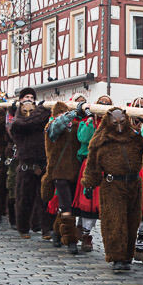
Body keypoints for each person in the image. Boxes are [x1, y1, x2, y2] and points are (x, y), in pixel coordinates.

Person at [81, 107, 143, 273]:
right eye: (115, 123)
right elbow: (93, 163)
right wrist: (89, 183)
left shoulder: (134, 138)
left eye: (121, 123)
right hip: (112, 185)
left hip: (133, 184)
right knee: (115, 222)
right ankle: (117, 256)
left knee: (132, 222)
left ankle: (127, 255)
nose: (118, 127)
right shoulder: (101, 139)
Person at [44, 102, 89, 255]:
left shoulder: (77, 126)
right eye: (60, 114)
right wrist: (72, 114)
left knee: (69, 208)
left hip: (76, 172)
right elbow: (56, 127)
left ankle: (57, 232)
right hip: (59, 172)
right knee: (66, 208)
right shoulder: (51, 126)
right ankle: (70, 240)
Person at [71, 95, 113, 253]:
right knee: (87, 201)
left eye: (107, 104)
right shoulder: (87, 122)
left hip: (106, 166)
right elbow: (84, 137)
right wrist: (90, 119)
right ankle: (84, 232)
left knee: (96, 204)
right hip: (89, 164)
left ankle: (85, 232)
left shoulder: (112, 124)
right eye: (101, 103)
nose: (103, 105)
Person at [10, 98, 52, 240]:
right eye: (25, 111)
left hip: (42, 165)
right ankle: (23, 228)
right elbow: (27, 123)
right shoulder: (17, 124)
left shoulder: (42, 123)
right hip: (26, 166)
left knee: (45, 199)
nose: (28, 114)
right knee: (24, 199)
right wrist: (41, 111)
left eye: (31, 111)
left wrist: (42, 111)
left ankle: (46, 229)